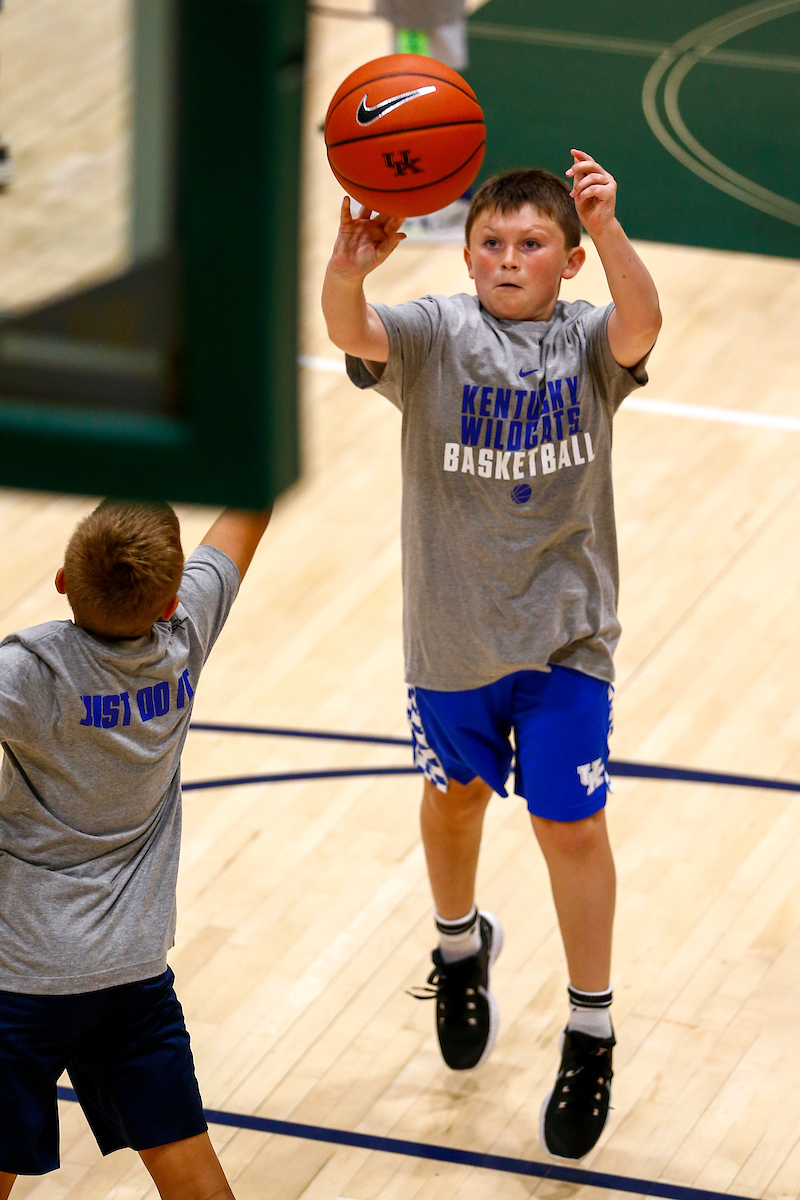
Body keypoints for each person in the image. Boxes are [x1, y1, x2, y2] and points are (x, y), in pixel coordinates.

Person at [321, 149, 661, 1161]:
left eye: (530, 245)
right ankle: (458, 945)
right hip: (451, 635)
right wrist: (349, 268)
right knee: (455, 800)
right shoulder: (434, 334)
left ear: (566, 263)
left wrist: (607, 225)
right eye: (491, 244)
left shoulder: (590, 342)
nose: (507, 258)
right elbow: (354, 332)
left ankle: (589, 1027)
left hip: (565, 636)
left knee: (570, 823)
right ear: (466, 255)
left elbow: (643, 323)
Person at [0, 499, 271, 1198]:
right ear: (172, 597)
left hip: (22, 979)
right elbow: (248, 509)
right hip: (132, 973)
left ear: (62, 580)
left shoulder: (31, 674)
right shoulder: (184, 636)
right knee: (195, 1180)